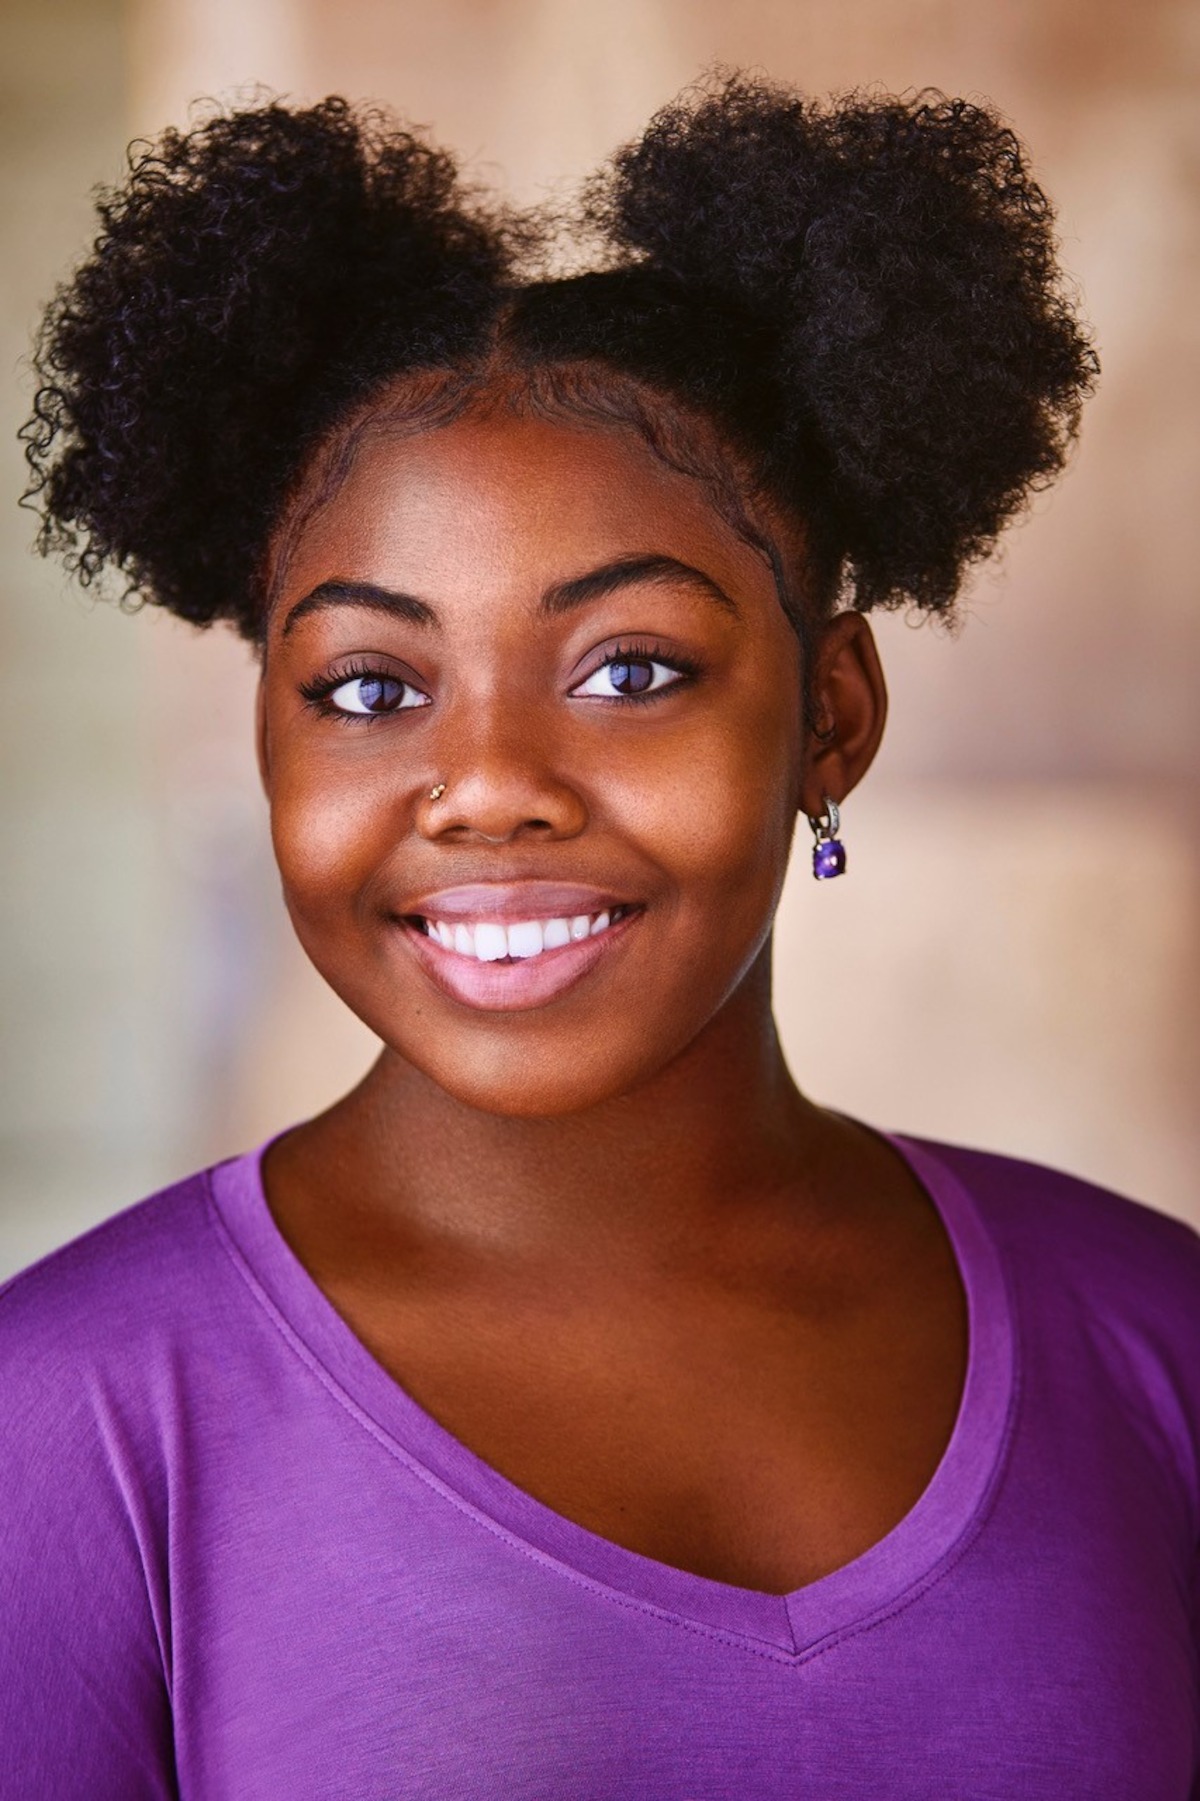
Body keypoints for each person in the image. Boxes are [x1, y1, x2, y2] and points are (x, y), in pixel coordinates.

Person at [2, 72, 1197, 1799]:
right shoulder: (78, 1426)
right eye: (369, 685)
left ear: (834, 714)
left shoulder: (1148, 1336)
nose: (486, 785)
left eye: (629, 669)